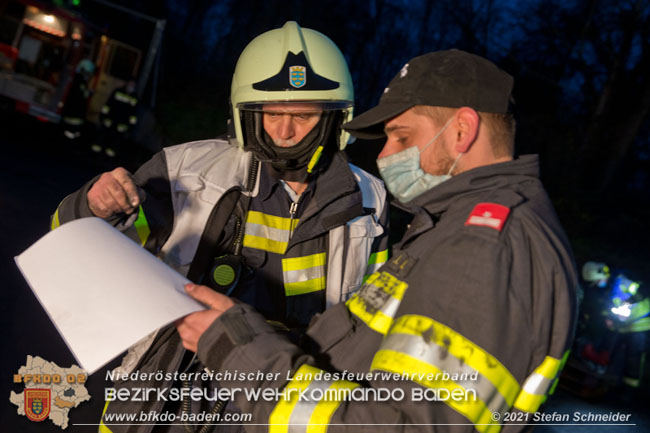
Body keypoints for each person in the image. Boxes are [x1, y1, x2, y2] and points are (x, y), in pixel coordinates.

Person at [173, 49, 579, 433]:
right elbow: (355, 359)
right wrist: (244, 331)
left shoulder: (485, 248)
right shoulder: (451, 230)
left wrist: (243, 357)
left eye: (400, 137)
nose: (385, 154)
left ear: (462, 130)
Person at [51, 21, 388, 432]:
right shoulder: (184, 171)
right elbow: (82, 249)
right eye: (271, 114)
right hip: (165, 399)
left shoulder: (369, 201)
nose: (284, 131)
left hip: (283, 398)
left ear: (336, 117)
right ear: (243, 112)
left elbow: (376, 318)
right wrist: (94, 206)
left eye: (302, 115)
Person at [94, 77, 139, 157]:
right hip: (111, 118)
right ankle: (97, 148)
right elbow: (109, 104)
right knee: (104, 133)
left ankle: (110, 153)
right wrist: (103, 115)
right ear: (127, 83)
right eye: (130, 83)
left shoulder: (134, 97)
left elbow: (133, 113)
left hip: (122, 122)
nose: (131, 85)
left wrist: (131, 125)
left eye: (133, 85)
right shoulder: (118, 91)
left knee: (117, 138)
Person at [61, 59, 94, 141]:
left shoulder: (77, 80)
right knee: (70, 135)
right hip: (74, 115)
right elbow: (81, 96)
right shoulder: (80, 81)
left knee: (70, 134)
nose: (89, 75)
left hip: (72, 115)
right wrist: (89, 93)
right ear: (84, 70)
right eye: (88, 73)